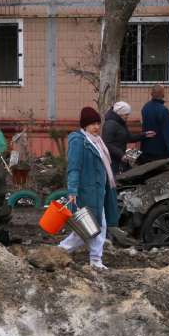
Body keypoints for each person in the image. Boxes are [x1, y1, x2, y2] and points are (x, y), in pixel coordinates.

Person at [59, 107, 118, 270]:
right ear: (84, 125)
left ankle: (95, 260)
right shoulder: (79, 141)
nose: (96, 127)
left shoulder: (96, 141)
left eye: (98, 123)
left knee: (98, 226)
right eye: (92, 124)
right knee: (86, 229)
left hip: (98, 192)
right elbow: (74, 168)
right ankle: (61, 251)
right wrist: (72, 191)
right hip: (86, 193)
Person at [102, 101, 155, 175]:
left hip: (120, 159)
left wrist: (144, 135)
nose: (127, 116)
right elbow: (106, 143)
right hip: (113, 162)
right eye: (126, 114)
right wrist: (121, 155)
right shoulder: (110, 124)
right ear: (119, 113)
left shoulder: (120, 123)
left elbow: (128, 137)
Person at [139, 84, 169, 165]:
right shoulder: (163, 110)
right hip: (160, 151)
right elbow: (167, 133)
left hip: (146, 149)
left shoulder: (145, 107)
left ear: (151, 94)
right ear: (163, 94)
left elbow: (143, 127)